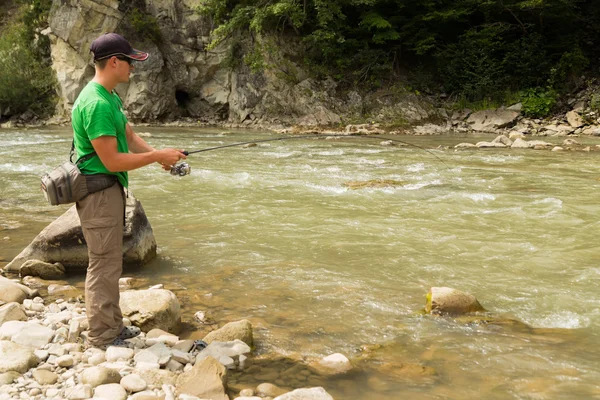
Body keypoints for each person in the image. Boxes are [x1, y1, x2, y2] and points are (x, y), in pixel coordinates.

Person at [72, 32, 186, 348]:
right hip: (98, 193)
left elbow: (130, 138)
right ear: (113, 62)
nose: (133, 68)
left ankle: (112, 326)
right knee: (103, 263)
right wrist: (156, 156)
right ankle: (103, 335)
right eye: (130, 61)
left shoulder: (109, 96)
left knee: (111, 261)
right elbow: (110, 160)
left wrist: (160, 158)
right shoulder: (95, 103)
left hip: (108, 191)